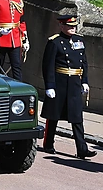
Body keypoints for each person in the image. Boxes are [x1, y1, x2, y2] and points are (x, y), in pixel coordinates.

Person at [40, 14, 96, 159]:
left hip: (74, 83)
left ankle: (82, 149)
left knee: (77, 117)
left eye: (74, 26)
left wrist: (84, 81)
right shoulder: (55, 42)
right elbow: (48, 65)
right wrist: (49, 86)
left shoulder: (79, 40)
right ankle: (48, 143)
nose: (73, 29)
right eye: (69, 26)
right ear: (61, 26)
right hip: (60, 82)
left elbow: (84, 63)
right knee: (54, 115)